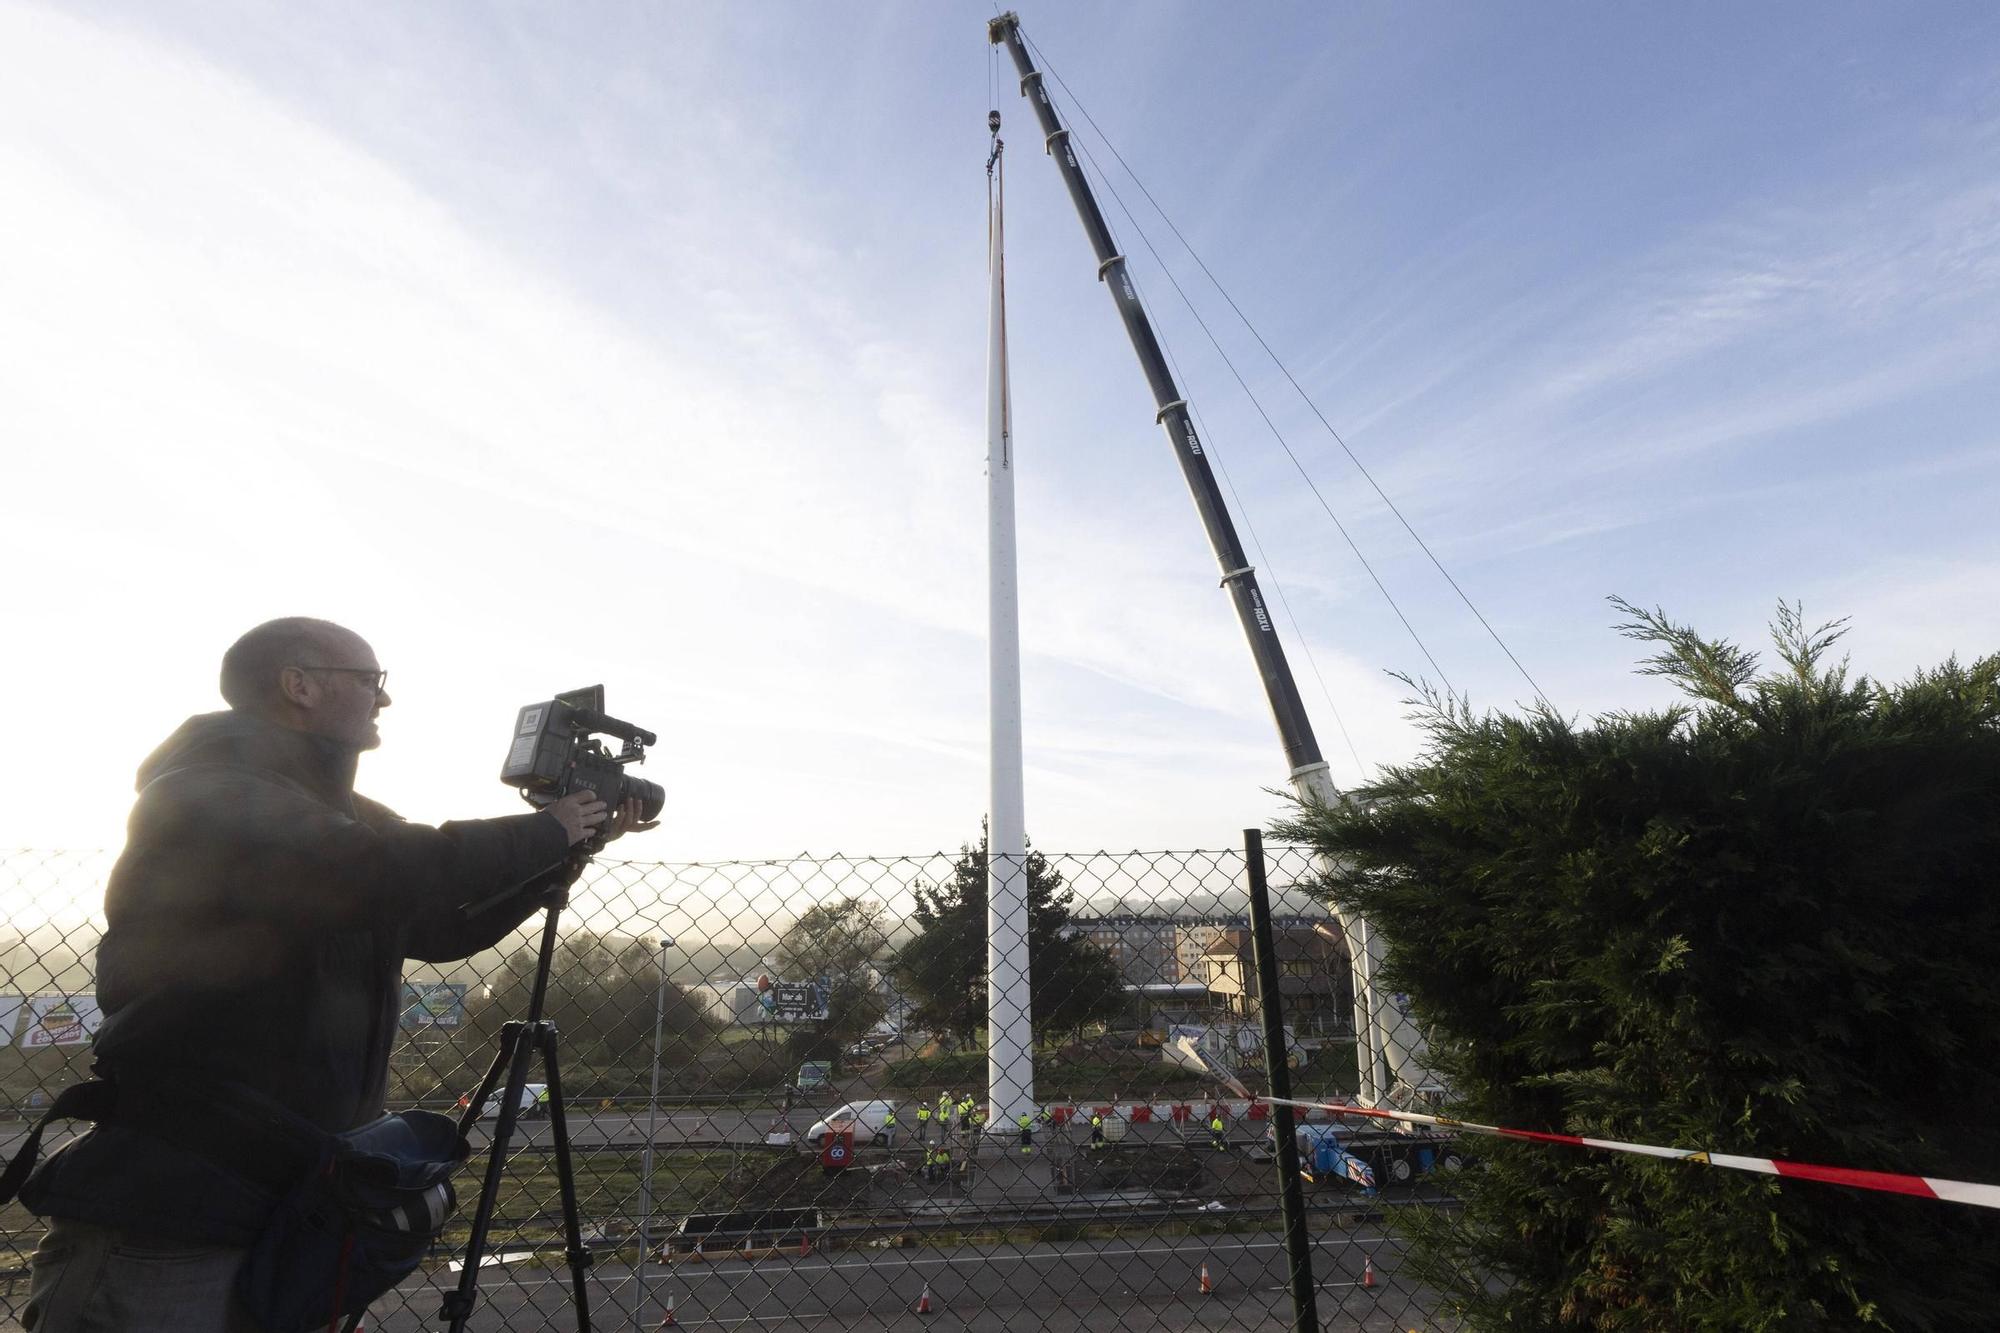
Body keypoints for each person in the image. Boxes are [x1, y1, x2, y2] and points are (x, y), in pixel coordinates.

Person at [15, 617, 658, 1332]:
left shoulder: (339, 813)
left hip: (288, 1205)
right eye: (371, 682)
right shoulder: (209, 790)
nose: (383, 701)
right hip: (170, 1212)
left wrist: (571, 845)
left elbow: (443, 923)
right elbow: (383, 871)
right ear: (299, 685)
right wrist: (546, 830)